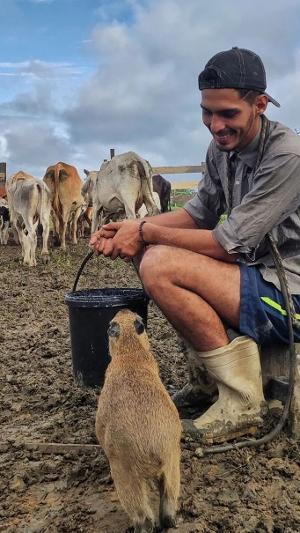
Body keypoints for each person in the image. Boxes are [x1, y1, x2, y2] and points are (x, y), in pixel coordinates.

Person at [90, 47, 300, 444]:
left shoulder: (287, 155)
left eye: (228, 114)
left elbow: (230, 243)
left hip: (290, 291)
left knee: (160, 264)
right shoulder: (222, 150)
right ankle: (206, 381)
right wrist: (132, 227)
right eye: (207, 112)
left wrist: (147, 232)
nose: (215, 125)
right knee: (147, 251)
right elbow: (198, 215)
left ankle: (242, 403)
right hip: (254, 277)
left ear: (259, 104)